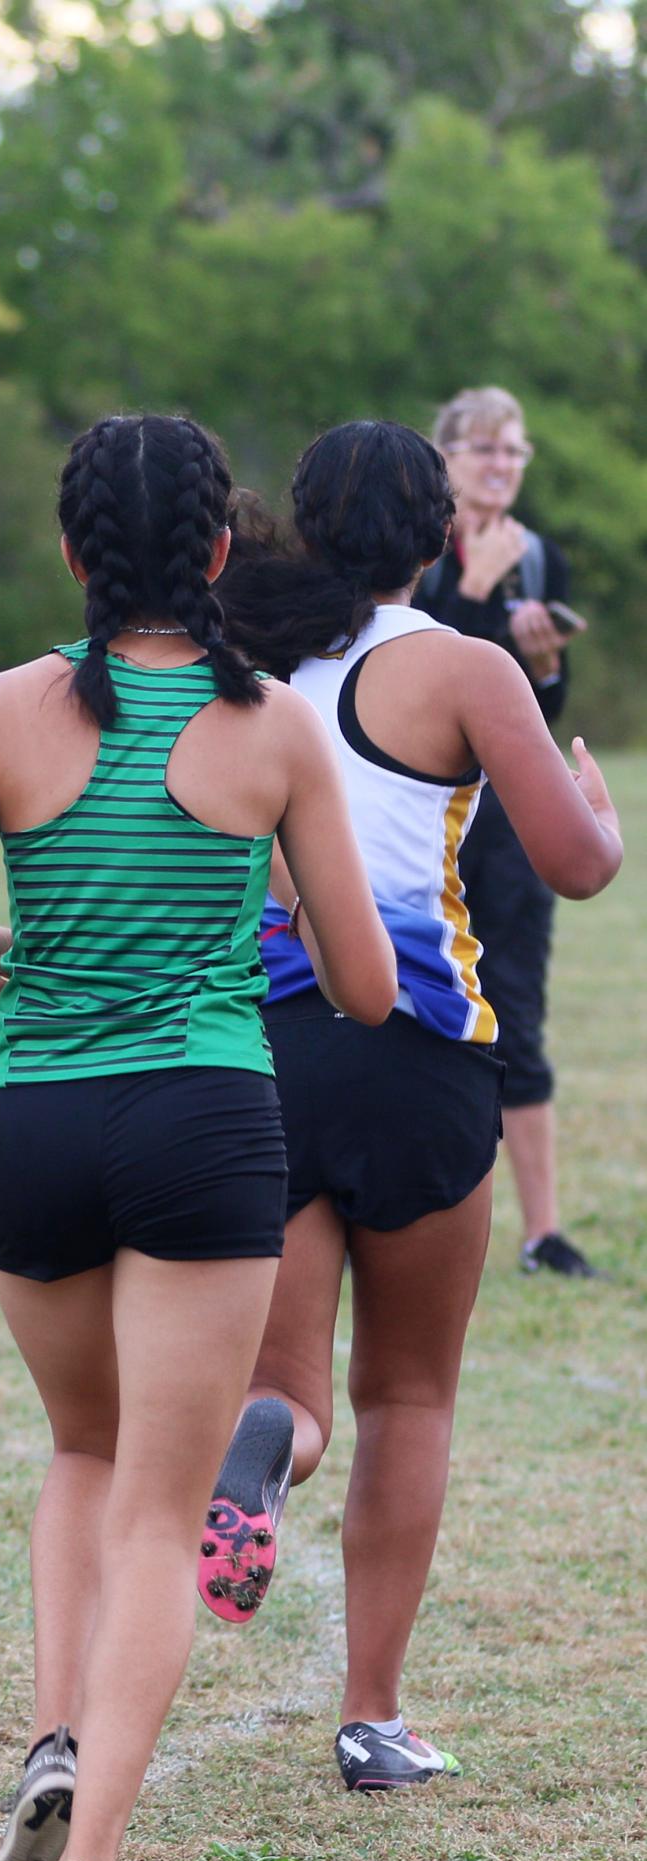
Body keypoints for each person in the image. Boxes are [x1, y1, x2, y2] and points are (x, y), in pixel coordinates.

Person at [0, 414, 394, 1861]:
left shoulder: (1, 711)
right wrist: (268, 893)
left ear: (73, 557)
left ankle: (50, 1739)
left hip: (30, 1123)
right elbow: (360, 988)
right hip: (201, 1124)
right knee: (162, 1513)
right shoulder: (275, 724)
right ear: (220, 552)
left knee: (79, 1452)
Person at [209, 421, 622, 1792]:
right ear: (439, 538)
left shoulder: (251, 669)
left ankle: (265, 1445)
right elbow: (568, 867)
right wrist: (597, 815)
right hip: (426, 1056)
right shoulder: (461, 665)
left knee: (291, 1387)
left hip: (270, 1046)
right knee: (408, 1396)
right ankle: (370, 1717)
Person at [413, 388, 595, 1277]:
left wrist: (544, 657)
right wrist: (475, 594)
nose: (499, 463)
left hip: (506, 820)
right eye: (482, 447)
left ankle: (541, 1233)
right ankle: (378, 1205)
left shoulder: (540, 557)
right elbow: (408, 670)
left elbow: (541, 705)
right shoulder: (413, 549)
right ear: (444, 455)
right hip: (416, 813)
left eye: (513, 450)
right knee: (399, 997)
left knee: (514, 1007)